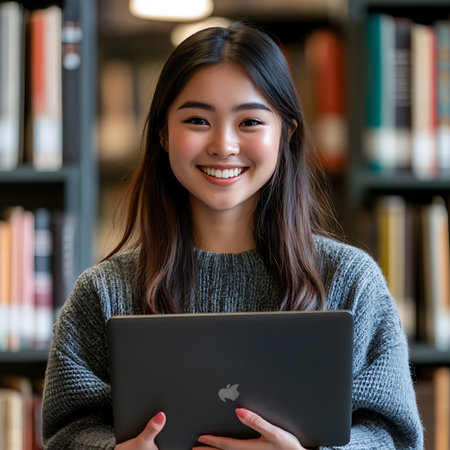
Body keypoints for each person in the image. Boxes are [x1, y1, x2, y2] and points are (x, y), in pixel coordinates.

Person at [42, 22, 424, 449]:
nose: (224, 145)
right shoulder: (103, 292)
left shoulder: (351, 282)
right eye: (198, 119)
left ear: (286, 133)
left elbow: (393, 435)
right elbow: (66, 432)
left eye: (250, 121)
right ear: (164, 134)